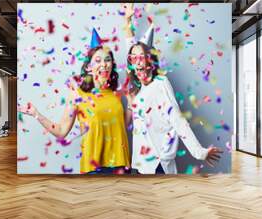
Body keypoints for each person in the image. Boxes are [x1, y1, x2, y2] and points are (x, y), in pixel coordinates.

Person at [122, 3, 222, 174]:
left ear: (150, 62)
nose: (137, 61)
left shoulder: (160, 83)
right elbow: (131, 47)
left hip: (157, 166)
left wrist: (199, 152)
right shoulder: (138, 88)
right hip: (139, 165)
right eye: (133, 58)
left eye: (142, 57)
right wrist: (127, 19)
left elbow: (178, 119)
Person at [19, 28, 130, 174]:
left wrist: (132, 103)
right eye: (98, 60)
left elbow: (123, 126)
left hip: (121, 164)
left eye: (107, 60)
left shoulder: (117, 93)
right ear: (89, 67)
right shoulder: (78, 94)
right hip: (94, 168)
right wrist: (36, 114)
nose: (103, 64)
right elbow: (61, 131)